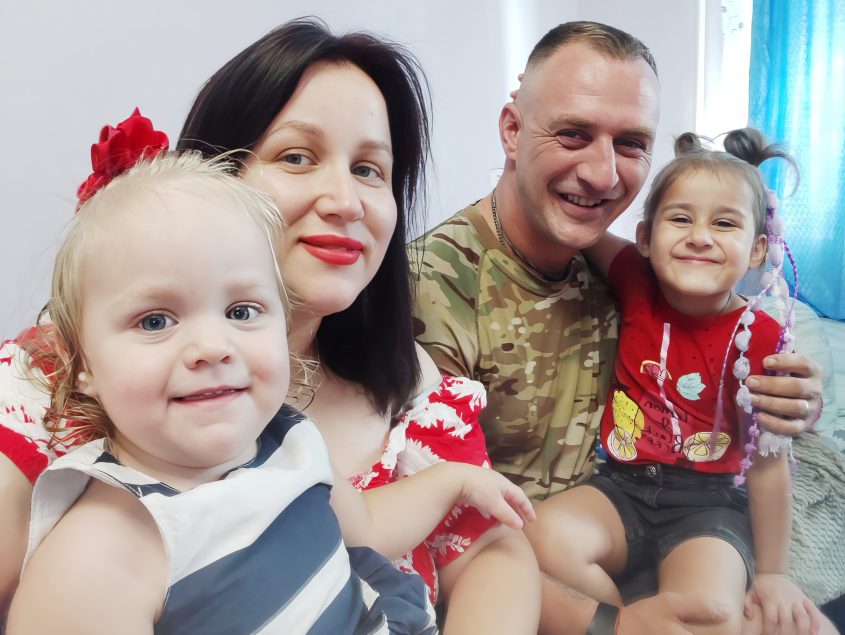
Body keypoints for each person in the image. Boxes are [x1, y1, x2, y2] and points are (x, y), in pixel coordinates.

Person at [0, 19, 541, 634]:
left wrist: (453, 484)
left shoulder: (376, 403)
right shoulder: (51, 389)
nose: (345, 201)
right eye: (297, 157)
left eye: (370, 169)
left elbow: (491, 551)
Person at [411, 20, 825, 635]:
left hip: (693, 513)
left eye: (631, 143)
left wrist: (797, 403)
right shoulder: (436, 285)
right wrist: (617, 625)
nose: (603, 175)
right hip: (552, 552)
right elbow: (438, 516)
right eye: (572, 133)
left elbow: (734, 364)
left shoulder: (639, 270)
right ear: (512, 129)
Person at [526, 128, 827, 635]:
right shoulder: (634, 277)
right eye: (681, 219)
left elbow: (769, 463)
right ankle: (628, 622)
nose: (700, 236)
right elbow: (583, 228)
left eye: (724, 223)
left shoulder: (761, 339)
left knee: (710, 614)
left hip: (710, 505)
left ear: (757, 250)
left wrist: (774, 574)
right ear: (646, 238)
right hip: (621, 486)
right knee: (542, 539)